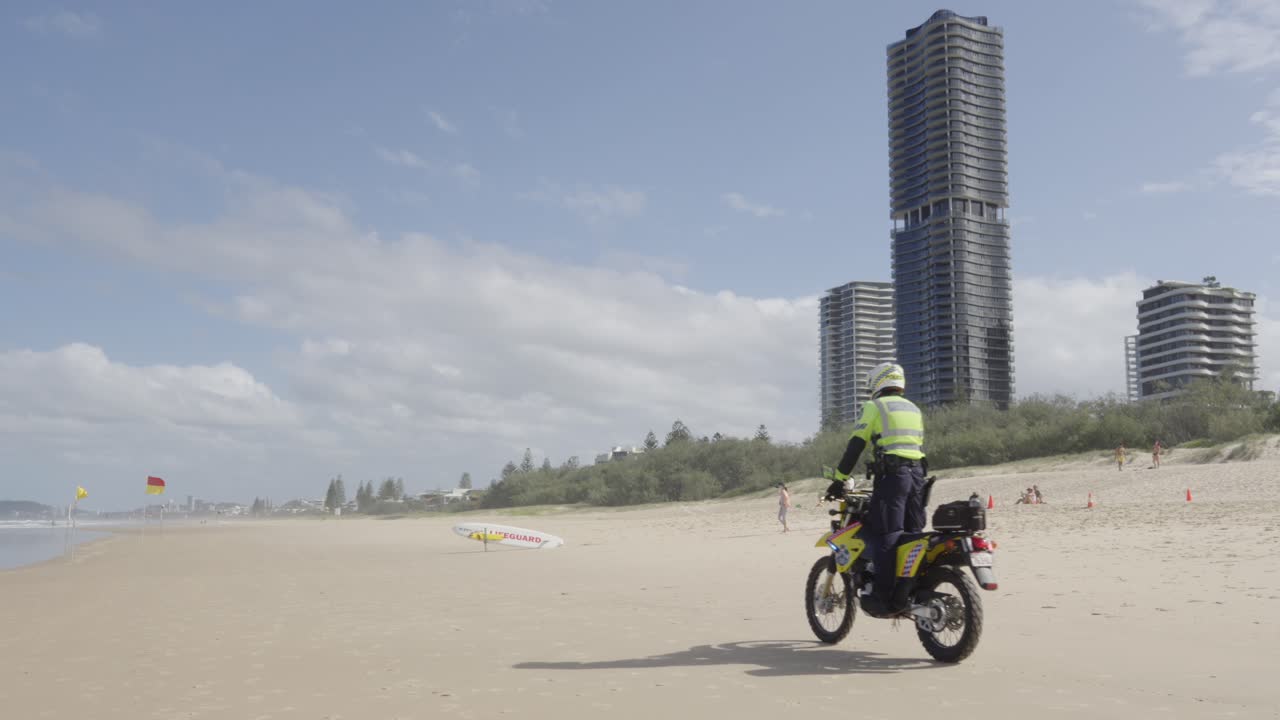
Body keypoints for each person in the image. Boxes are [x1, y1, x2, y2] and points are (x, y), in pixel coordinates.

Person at [824, 362, 926, 617]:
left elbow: (855, 446)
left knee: (887, 534)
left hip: (894, 477)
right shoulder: (914, 408)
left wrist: (839, 479)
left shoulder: (875, 406)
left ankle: (883, 597)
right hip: (918, 476)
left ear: (877, 382)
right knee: (913, 533)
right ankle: (911, 589)